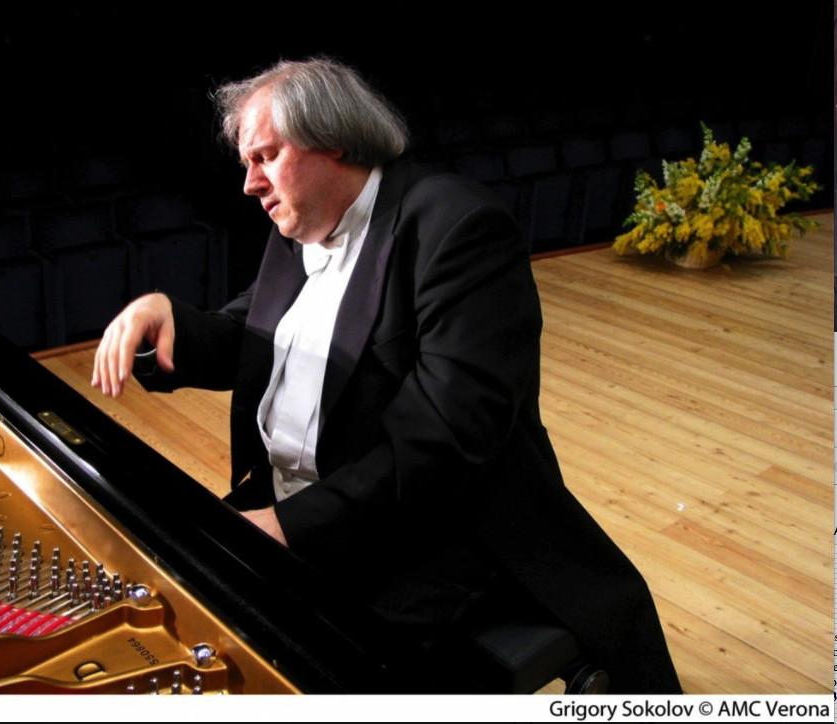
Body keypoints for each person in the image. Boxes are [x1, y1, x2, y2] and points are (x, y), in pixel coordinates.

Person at [92, 57, 680, 693]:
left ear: (333, 141)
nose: (250, 184)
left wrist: (289, 526)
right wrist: (165, 321)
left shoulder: (455, 227)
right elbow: (257, 337)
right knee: (171, 594)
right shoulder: (301, 226)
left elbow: (444, 440)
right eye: (246, 163)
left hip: (429, 531)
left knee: (295, 665)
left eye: (264, 157)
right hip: (305, 504)